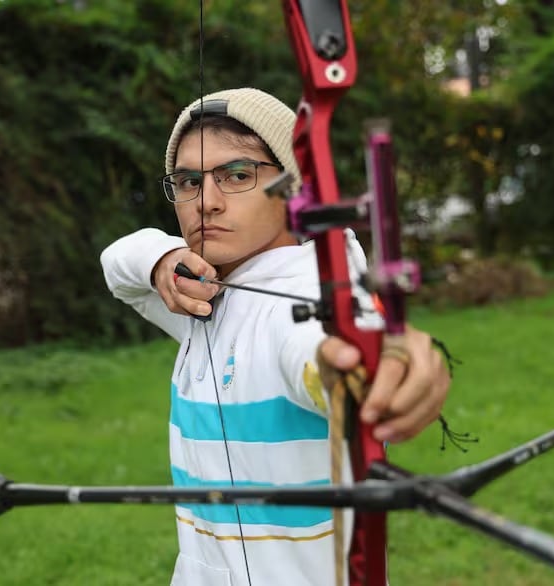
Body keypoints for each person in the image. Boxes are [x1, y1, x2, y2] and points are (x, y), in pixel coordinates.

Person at [100, 87, 451, 586]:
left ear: (293, 187)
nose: (207, 203)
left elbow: (325, 352)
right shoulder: (202, 294)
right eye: (188, 182)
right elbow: (117, 264)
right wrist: (159, 260)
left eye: (237, 175)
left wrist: (387, 367)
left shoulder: (305, 298)